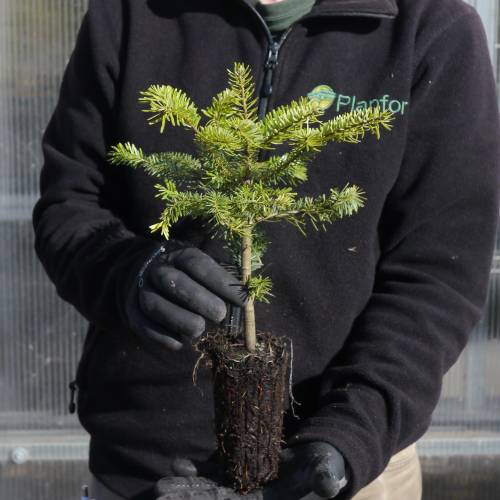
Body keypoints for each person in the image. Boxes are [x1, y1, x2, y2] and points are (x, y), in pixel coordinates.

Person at [31, 0, 500, 499]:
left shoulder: (429, 27)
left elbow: (439, 272)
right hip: (142, 471)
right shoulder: (131, 12)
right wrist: (126, 274)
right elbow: (68, 205)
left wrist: (352, 433)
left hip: (345, 472)